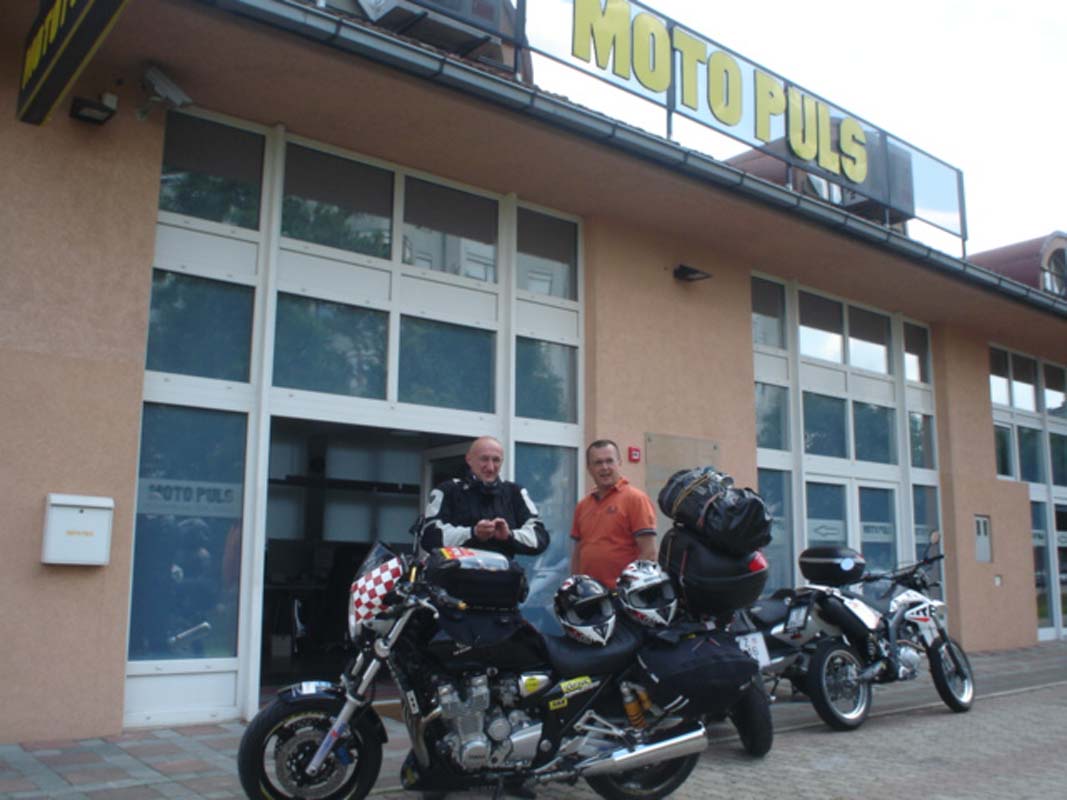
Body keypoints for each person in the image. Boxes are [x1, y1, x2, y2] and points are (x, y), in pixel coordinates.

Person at [420, 436, 549, 558]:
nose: (490, 467)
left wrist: (509, 535)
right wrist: (473, 533)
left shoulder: (515, 492)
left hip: (503, 572)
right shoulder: (448, 490)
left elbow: (539, 537)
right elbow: (429, 536)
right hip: (456, 572)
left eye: (496, 460)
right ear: (469, 460)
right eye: (484, 459)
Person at [570, 439, 658, 589]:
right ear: (589, 468)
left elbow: (649, 553)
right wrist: (576, 585)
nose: (604, 467)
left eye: (609, 461)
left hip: (622, 594)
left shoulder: (636, 499)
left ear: (619, 462)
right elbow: (578, 552)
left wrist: (628, 589)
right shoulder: (583, 505)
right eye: (598, 463)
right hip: (590, 594)